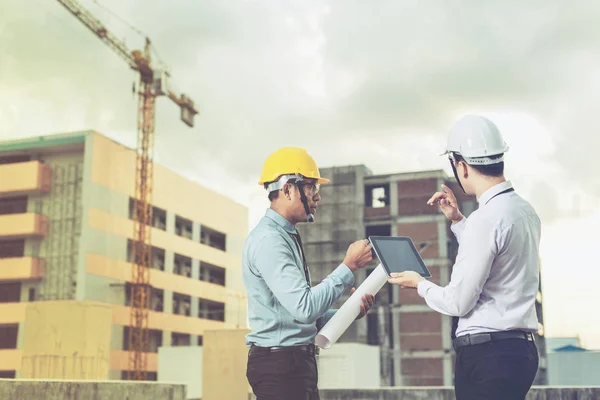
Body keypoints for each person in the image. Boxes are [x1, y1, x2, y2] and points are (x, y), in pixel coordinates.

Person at [388, 115, 541, 400]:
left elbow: (458, 302)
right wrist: (458, 221)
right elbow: (498, 254)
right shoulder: (524, 210)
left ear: (461, 165)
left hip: (488, 356)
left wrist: (418, 284)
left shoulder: (486, 220)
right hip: (520, 352)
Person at [243, 146, 376, 400]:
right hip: (280, 368)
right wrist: (347, 267)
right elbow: (304, 308)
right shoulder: (270, 241)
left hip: (292, 365)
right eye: (311, 187)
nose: (317, 197)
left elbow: (301, 319)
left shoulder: (285, 236)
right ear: (287, 189)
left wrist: (350, 311)